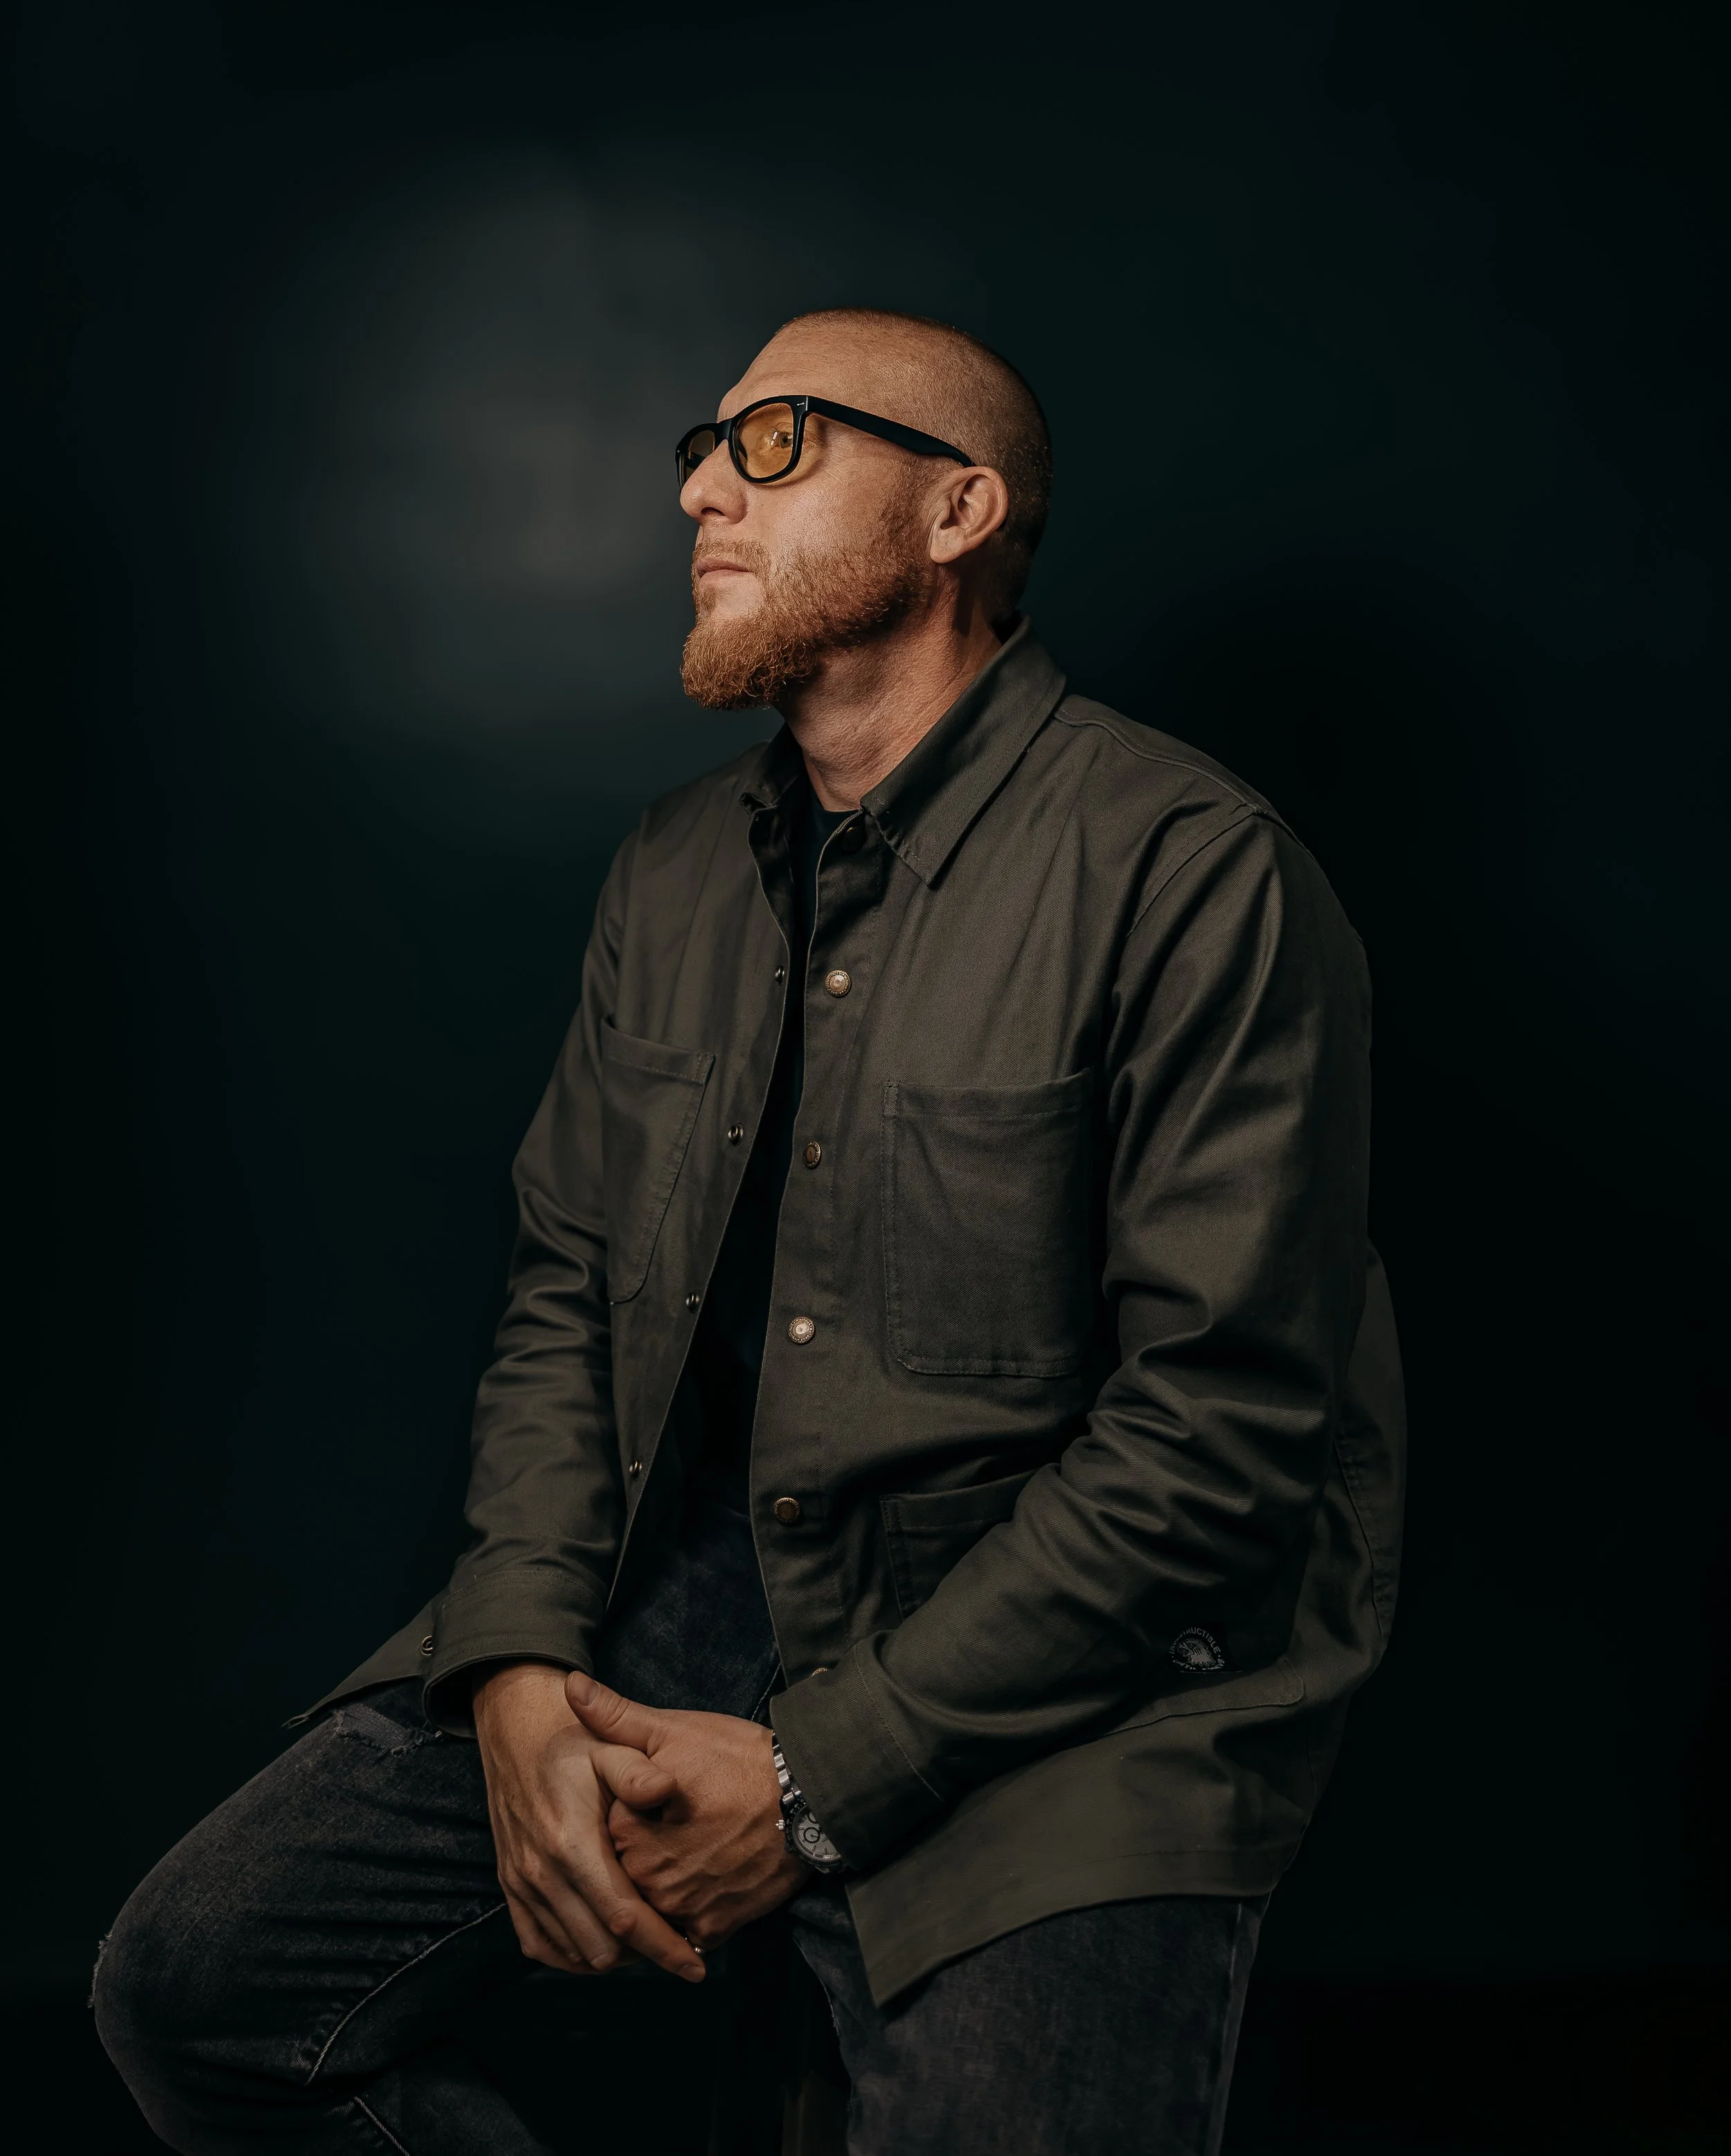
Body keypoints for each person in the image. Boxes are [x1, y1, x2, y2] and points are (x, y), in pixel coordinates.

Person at [96, 307, 1404, 2155]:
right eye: (699, 452)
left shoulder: (1197, 873)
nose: (702, 489)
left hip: (1082, 1657)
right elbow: (569, 1300)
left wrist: (808, 1780)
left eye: (774, 440)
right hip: (713, 1565)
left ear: (956, 511)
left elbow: (1220, 1444)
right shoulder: (671, 867)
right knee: (198, 1985)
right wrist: (518, 1660)